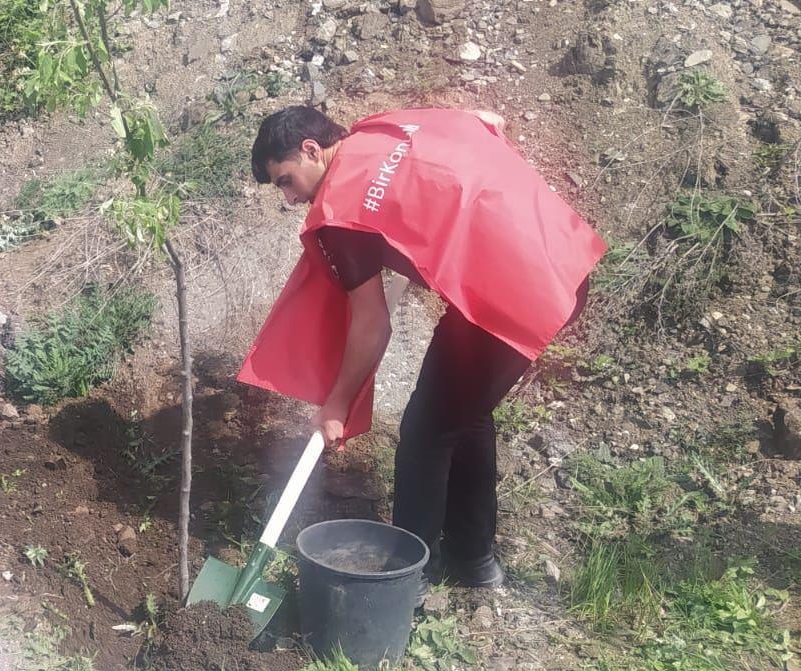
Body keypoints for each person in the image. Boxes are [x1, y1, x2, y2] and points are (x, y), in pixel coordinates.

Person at [241, 106, 604, 592]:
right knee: (461, 412)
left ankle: (406, 583)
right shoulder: (383, 129)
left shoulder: (340, 211)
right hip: (563, 261)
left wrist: (337, 405)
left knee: (426, 431)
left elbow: (372, 325)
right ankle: (473, 561)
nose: (290, 198)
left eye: (286, 180)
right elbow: (477, 120)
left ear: (311, 150)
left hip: (516, 296)